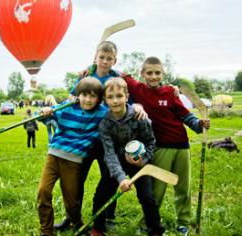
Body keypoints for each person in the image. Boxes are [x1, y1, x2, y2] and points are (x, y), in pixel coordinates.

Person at [55, 40, 148, 231]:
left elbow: (132, 97)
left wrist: (139, 105)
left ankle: (109, 216)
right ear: (95, 57)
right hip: (86, 137)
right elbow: (74, 97)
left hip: (109, 138)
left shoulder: (117, 77)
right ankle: (72, 217)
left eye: (109, 58)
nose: (104, 61)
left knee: (110, 176)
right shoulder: (86, 76)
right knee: (77, 178)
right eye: (101, 57)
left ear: (114, 60)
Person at [123, 57, 210, 236]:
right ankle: (149, 222)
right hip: (160, 147)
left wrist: (199, 124)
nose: (153, 76)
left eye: (157, 73)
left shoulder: (170, 92)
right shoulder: (137, 89)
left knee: (183, 187)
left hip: (182, 146)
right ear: (142, 74)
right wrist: (89, 70)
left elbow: (185, 115)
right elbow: (114, 71)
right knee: (157, 188)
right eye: (149, 73)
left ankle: (183, 222)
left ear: (163, 73)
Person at [91, 78, 164, 236]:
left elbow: (151, 142)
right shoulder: (104, 124)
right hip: (116, 162)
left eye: (119, 96)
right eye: (110, 97)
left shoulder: (141, 118)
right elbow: (109, 154)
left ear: (127, 96)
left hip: (139, 164)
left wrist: (143, 160)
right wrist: (121, 178)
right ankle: (97, 229)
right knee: (101, 194)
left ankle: (156, 230)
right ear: (105, 100)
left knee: (147, 197)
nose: (115, 101)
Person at [37, 77, 107, 236]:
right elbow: (41, 116)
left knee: (72, 199)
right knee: (43, 191)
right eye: (84, 95)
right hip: (53, 157)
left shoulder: (102, 113)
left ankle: (77, 224)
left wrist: (137, 107)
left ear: (99, 98)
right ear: (78, 95)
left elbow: (120, 111)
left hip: (74, 161)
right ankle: (46, 230)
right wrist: (44, 112)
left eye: (93, 96)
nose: (88, 100)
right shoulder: (67, 107)